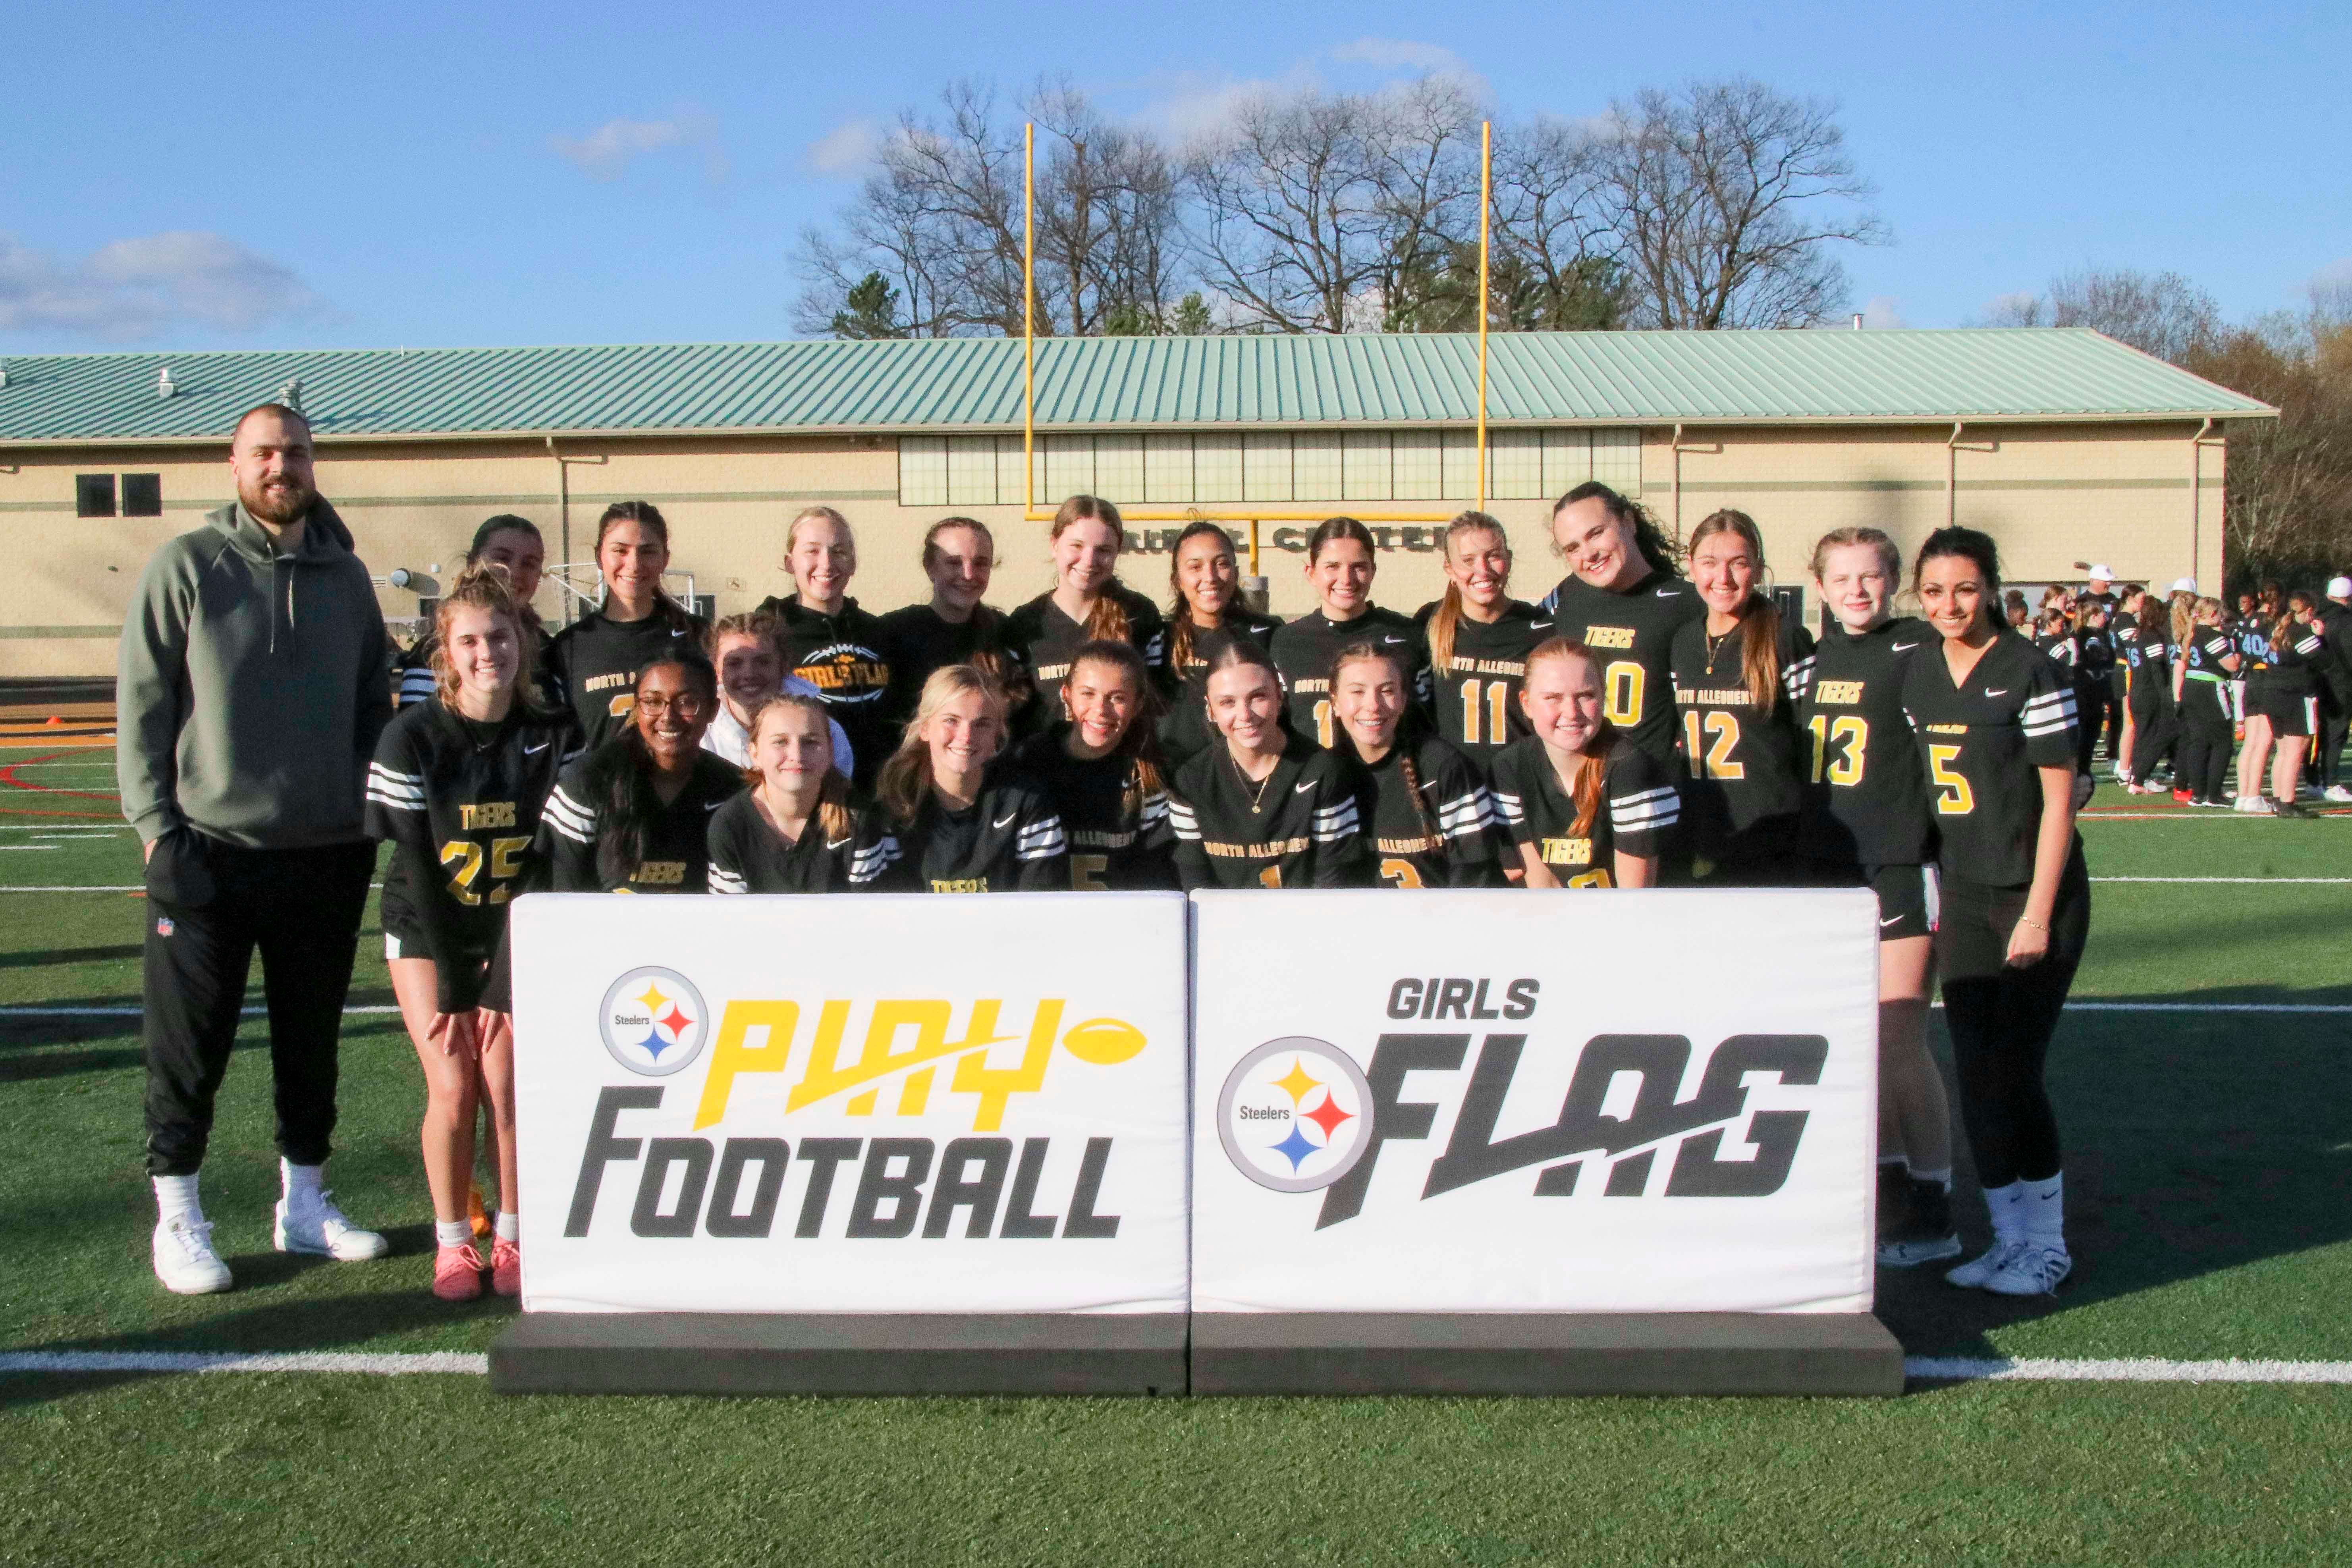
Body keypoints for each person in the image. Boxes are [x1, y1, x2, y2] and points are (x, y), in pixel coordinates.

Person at [119, 401, 392, 1294]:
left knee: (310, 1042)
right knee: (189, 1047)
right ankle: (180, 1216)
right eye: (266, 453)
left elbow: (370, 713)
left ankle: (304, 1202)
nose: (284, 468)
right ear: (234, 463)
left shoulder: (347, 577)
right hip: (209, 850)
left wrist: (358, 822)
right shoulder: (186, 566)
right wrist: (159, 831)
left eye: (298, 454)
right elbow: (144, 708)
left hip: (323, 853)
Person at [365, 567, 569, 1301]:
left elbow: (546, 862)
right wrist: (457, 979)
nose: (490, 651)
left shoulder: (552, 732)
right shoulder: (412, 734)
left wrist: (505, 976)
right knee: (453, 1084)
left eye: (502, 634)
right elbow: (416, 863)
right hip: (429, 930)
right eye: (471, 639)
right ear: (445, 653)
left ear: (523, 640)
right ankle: (453, 1239)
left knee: (509, 1085)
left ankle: (513, 1230)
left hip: (514, 928)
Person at [1904, 526, 2090, 1297]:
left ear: (1993, 590)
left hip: (2030, 896)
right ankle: (2007, 1238)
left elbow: (2060, 805)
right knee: (1977, 1074)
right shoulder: (1918, 669)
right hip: (1967, 893)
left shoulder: (2029, 669)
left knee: (2015, 1072)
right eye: (1936, 590)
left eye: (1966, 588)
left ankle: (2048, 1243)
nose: (1950, 604)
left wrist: (2038, 912)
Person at [1799, 527, 1953, 1268]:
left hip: (1897, 863)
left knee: (1898, 1037)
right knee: (1856, 1043)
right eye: (1841, 577)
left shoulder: (1919, 647)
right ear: (1818, 584)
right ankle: (1892, 1194)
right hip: (1830, 870)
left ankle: (1936, 1204)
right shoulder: (1808, 660)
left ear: (1892, 579)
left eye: (1870, 576)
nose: (1856, 589)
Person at [1669, 510, 1815, 883]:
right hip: (1703, 834)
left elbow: (1812, 744)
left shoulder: (1785, 638)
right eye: (1709, 563)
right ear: (1691, 566)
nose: (1723, 578)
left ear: (1758, 567)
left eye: (1739, 564)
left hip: (1773, 838)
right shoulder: (1683, 640)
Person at [541, 652, 741, 892]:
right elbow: (561, 900)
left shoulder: (733, 789)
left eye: (686, 702)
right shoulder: (587, 781)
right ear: (637, 707)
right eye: (653, 702)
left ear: (713, 710)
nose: (668, 717)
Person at [1170, 640, 1362, 889]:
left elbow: (1331, 881)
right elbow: (1195, 887)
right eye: (1227, 702)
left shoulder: (1322, 770)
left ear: (1279, 696)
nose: (1246, 715)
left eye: (1258, 697)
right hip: (1222, 924)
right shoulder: (1192, 779)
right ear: (1210, 709)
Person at [1538, 482, 1704, 771]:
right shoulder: (1563, 599)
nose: (1588, 554)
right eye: (1573, 547)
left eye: (1596, 534)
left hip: (1654, 789)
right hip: (1580, 786)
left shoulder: (1687, 604)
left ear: (1628, 521)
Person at [1488, 638, 1677, 889]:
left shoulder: (1631, 769)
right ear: (1526, 704)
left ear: (1604, 698)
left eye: (1586, 696)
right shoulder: (1509, 767)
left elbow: (1636, 899)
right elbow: (1542, 885)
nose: (1572, 711)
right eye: (1553, 698)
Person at [866, 665, 1068, 891]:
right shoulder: (896, 806)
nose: (966, 736)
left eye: (982, 724)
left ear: (997, 736)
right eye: (951, 721)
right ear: (925, 728)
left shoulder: (1026, 802)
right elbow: (888, 910)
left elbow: (1042, 906)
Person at [1329, 640, 1500, 888]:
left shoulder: (1445, 768)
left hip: (1439, 921)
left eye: (1387, 691)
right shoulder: (1326, 774)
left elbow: (1477, 877)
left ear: (1403, 699)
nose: (1373, 706)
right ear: (1335, 702)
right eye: (1357, 692)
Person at [1010, 640, 1178, 890]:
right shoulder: (1028, 759)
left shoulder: (1149, 772)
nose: (1101, 709)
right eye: (1088, 694)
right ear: (1066, 694)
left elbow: (1156, 877)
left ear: (1137, 705)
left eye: (1117, 698)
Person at [544, 502, 706, 750]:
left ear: (665, 559)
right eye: (620, 551)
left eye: (648, 552)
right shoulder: (569, 647)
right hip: (602, 787)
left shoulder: (697, 636)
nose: (634, 564)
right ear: (599, 556)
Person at [752, 507, 895, 788]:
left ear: (853, 562)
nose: (827, 563)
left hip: (879, 797)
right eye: (812, 551)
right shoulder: (769, 636)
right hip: (805, 794)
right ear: (790, 562)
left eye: (839, 551)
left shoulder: (879, 633)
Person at [1004, 496, 1166, 736]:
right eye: (1077, 546)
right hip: (1044, 768)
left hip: (1120, 765)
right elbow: (1014, 714)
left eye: (1103, 550)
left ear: (1118, 551)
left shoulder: (1140, 616)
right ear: (1055, 543)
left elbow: (1156, 703)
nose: (1089, 561)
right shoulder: (1025, 624)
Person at [1269, 516, 1428, 749]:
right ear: (1311, 573)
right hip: (1314, 782)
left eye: (1359, 567)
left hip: (1387, 779)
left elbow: (1425, 724)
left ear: (1373, 571)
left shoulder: (1406, 635)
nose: (1346, 579)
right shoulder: (1287, 642)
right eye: (1332, 567)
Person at [1416, 511, 1550, 777]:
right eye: (1468, 560)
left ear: (1509, 560)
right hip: (1457, 788)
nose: (1483, 570)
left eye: (1493, 556)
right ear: (1449, 569)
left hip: (1522, 782)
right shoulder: (1429, 624)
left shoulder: (1540, 628)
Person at [707, 694, 881, 893]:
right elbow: (730, 919)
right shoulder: (731, 824)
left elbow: (869, 915)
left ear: (830, 751)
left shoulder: (857, 818)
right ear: (755, 754)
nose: (797, 755)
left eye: (810, 742)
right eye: (780, 742)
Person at [394, 515, 557, 712]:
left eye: (529, 564)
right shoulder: (433, 651)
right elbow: (416, 736)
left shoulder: (549, 651)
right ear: (472, 562)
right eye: (502, 558)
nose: (513, 572)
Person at [877, 517, 1028, 728]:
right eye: (954, 562)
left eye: (980, 563)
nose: (968, 574)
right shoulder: (893, 633)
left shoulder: (1004, 632)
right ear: (930, 567)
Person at [1159, 521, 1282, 769]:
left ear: (1236, 573)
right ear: (1178, 580)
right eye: (1196, 567)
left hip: (1246, 782)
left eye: (1222, 564)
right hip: (1174, 785)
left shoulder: (1268, 633)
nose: (1211, 577)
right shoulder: (1160, 638)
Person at [698, 612, 853, 777]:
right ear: (717, 670)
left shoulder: (823, 731)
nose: (749, 674)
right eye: (735, 663)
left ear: (783, 666)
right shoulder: (702, 735)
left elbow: (838, 797)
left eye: (762, 662)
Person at [2257, 592, 2327, 818]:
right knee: (2296, 752)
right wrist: (2320, 637)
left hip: (2272, 693)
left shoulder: (2280, 630)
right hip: (2295, 696)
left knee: (2284, 751)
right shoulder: (2301, 633)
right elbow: (2324, 661)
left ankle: (2279, 799)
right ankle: (2288, 801)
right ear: (2308, 612)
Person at [2173, 598, 2241, 808]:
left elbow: (2179, 667)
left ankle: (2198, 793)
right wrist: (2237, 650)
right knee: (2222, 743)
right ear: (2213, 615)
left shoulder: (2189, 635)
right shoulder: (2213, 637)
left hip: (2190, 688)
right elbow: (2232, 665)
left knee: (2198, 741)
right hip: (2211, 689)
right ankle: (2213, 794)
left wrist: (2177, 697)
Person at [2122, 592, 2177, 794]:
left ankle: (2138, 777)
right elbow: (2156, 669)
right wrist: (2165, 694)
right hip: (2149, 692)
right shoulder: (2151, 636)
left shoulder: (2136, 635)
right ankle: (2139, 779)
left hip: (2136, 689)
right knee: (2149, 736)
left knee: (2141, 735)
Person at [2319, 575, 2352, 802]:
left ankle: (2314, 780)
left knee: (2316, 733)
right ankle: (2329, 782)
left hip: (2315, 680)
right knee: (2336, 733)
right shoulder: (2346, 621)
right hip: (2341, 682)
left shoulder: (2315, 616)